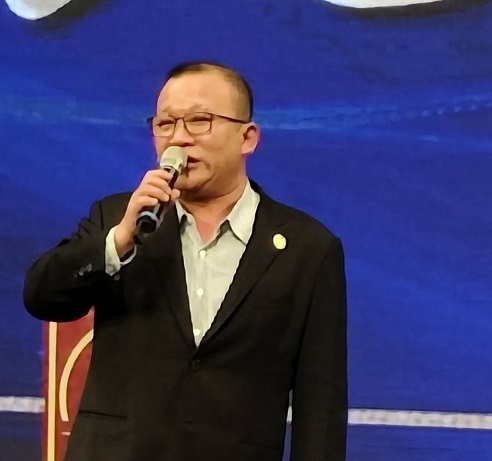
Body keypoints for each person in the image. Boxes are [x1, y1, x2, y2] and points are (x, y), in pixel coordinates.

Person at [23, 61, 347, 461]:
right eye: (165, 124)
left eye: (199, 121)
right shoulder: (117, 219)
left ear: (247, 137)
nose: (178, 140)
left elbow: (321, 404)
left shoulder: (306, 247)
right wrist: (119, 242)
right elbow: (42, 296)